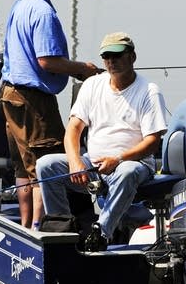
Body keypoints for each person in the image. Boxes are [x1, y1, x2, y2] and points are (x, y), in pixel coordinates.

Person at [36, 32, 168, 251]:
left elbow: (153, 141)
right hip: (93, 163)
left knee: (127, 172)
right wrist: (75, 161)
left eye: (117, 56)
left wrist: (117, 159)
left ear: (132, 57)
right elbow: (73, 130)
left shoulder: (149, 91)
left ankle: (101, 233)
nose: (111, 61)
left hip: (133, 163)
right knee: (46, 165)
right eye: (106, 56)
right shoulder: (92, 85)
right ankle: (63, 231)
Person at [0, 0, 100, 228]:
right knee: (47, 165)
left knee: (23, 166)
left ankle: (24, 224)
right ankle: (38, 229)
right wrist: (82, 68)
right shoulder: (43, 12)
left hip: (10, 95)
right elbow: (48, 61)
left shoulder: (21, 4)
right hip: (34, 101)